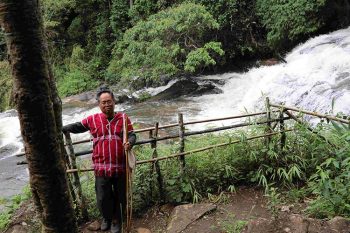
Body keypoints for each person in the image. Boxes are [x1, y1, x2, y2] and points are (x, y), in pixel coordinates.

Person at [63, 87, 136, 233]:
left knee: (120, 195)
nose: (107, 104)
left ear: (114, 102)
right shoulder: (93, 119)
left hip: (120, 166)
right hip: (101, 166)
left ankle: (116, 220)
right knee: (103, 196)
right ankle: (106, 218)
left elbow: (132, 134)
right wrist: (62, 128)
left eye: (109, 101)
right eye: (104, 102)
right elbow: (78, 126)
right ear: (99, 104)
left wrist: (130, 142)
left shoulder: (123, 118)